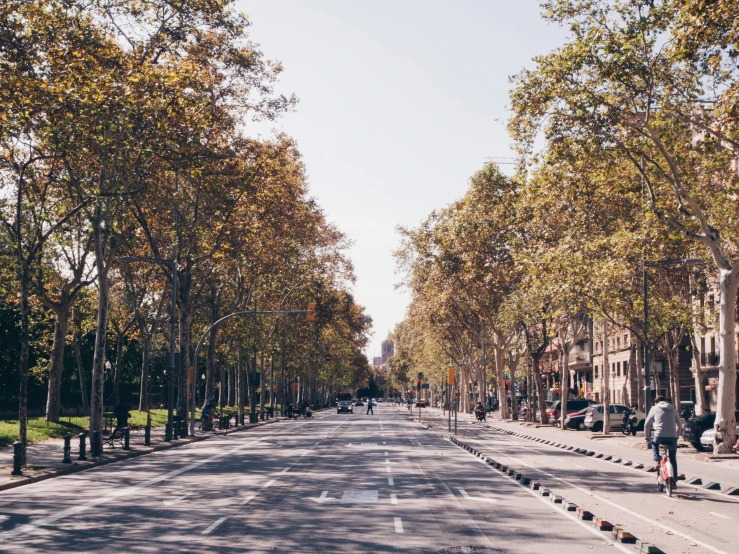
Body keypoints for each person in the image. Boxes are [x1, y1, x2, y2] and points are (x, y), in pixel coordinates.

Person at [644, 396, 682, 484]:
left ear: (656, 402)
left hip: (659, 435)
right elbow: (679, 424)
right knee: (672, 458)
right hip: (672, 437)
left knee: (654, 444)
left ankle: (656, 457)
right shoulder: (672, 408)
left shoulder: (654, 408)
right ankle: (675, 479)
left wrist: (647, 437)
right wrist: (677, 435)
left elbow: (647, 424)